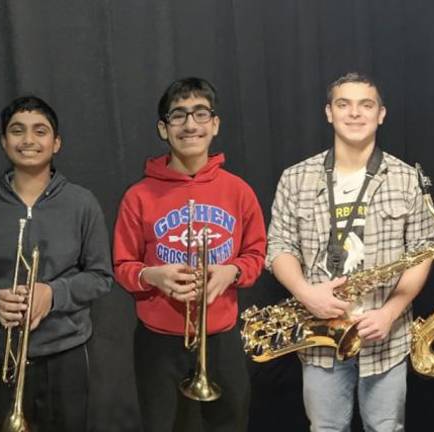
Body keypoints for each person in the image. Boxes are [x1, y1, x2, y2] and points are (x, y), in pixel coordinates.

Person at [266, 72, 434, 431]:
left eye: (366, 105)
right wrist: (306, 293)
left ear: (381, 114)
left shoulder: (407, 179)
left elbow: (423, 253)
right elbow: (279, 246)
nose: (355, 114)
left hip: (385, 339)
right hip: (319, 337)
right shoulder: (295, 178)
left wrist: (390, 312)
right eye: (344, 104)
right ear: (329, 112)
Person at [0, 95, 114, 431]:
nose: (29, 140)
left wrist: (52, 293)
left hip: (66, 357)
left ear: (56, 142)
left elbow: (101, 277)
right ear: (4, 142)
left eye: (41, 131)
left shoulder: (82, 203)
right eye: (17, 131)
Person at [113, 77, 266, 432]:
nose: (190, 124)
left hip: (221, 337)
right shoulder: (139, 195)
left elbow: (256, 253)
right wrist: (153, 275)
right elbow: (122, 266)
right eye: (178, 116)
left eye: (200, 113)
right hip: (159, 342)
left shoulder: (238, 191)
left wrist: (232, 272)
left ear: (215, 124)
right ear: (163, 129)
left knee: (229, 422)